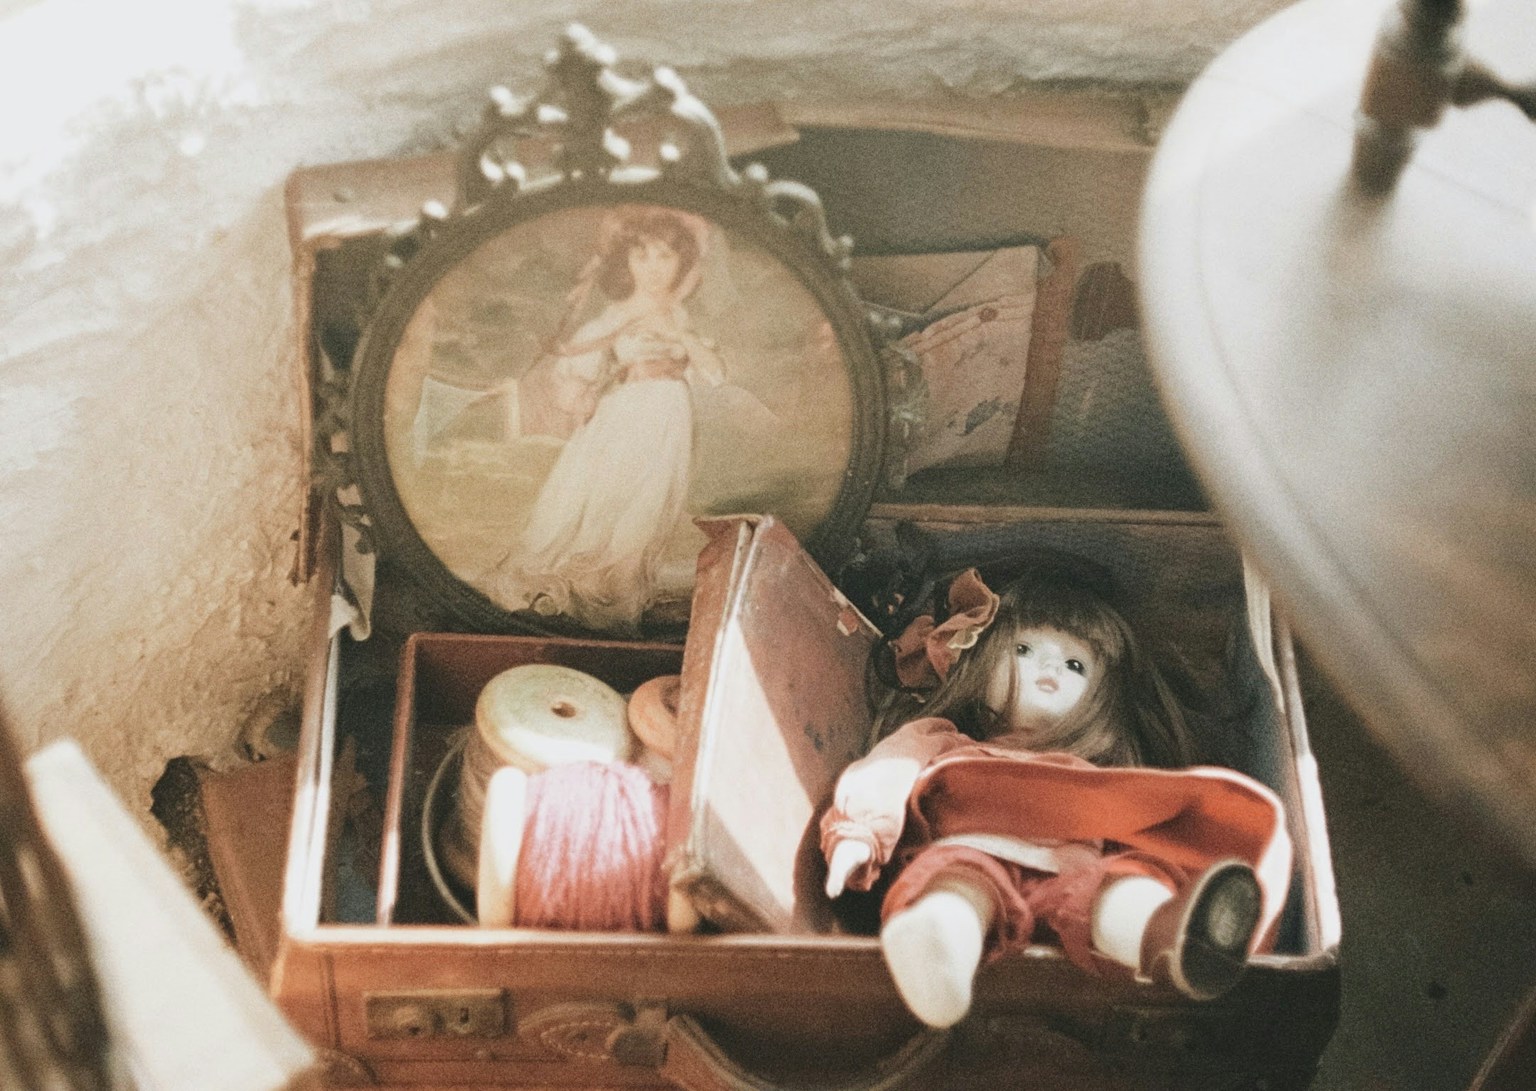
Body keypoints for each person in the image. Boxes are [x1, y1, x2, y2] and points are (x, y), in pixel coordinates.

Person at [821, 558, 1292, 1029]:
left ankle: (1168, 934)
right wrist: (859, 832)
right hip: (971, 848)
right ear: (981, 664)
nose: (1048, 668)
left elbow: (1136, 828)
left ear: (1101, 699)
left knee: (1121, 879)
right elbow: (887, 769)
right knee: (957, 879)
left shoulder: (1097, 774)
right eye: (1023, 649)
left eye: (1074, 664)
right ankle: (938, 947)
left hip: (1075, 866)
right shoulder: (947, 741)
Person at [492, 207, 724, 631]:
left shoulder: (681, 316)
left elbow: (714, 374)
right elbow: (575, 371)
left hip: (671, 417)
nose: (653, 269)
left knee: (649, 510)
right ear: (627, 262)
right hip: (626, 419)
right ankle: (594, 599)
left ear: (682, 261)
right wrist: (581, 393)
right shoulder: (617, 316)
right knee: (605, 505)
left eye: (664, 256)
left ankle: (619, 599)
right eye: (642, 256)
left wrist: (682, 338)